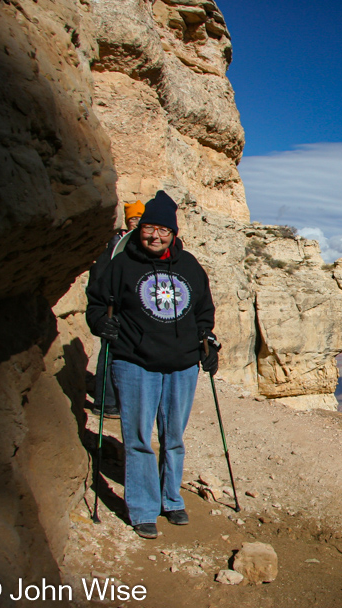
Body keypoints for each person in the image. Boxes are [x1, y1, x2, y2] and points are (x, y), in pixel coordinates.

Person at [87, 190, 219, 539]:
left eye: (163, 230)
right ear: (138, 228)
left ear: (173, 233)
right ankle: (143, 508)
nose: (155, 236)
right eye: (149, 229)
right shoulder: (121, 264)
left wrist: (209, 343)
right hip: (134, 362)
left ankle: (172, 500)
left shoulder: (189, 265)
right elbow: (96, 304)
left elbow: (204, 311)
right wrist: (101, 324)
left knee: (173, 438)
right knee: (138, 438)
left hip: (183, 365)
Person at [89, 200, 145, 419]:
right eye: (133, 218)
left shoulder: (135, 243)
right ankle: (106, 403)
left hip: (130, 310)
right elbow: (99, 276)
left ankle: (121, 402)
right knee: (109, 354)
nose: (137, 222)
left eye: (141, 218)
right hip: (114, 309)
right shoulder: (115, 244)